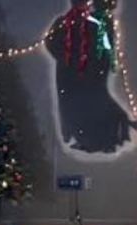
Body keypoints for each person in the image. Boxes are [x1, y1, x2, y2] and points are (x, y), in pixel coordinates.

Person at [45, 0, 134, 154]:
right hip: (75, 73)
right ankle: (91, 138)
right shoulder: (66, 22)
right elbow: (51, 43)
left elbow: (105, 45)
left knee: (92, 102)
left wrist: (102, 61)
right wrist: (66, 58)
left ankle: (100, 138)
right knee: (79, 106)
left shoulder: (95, 21)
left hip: (87, 72)